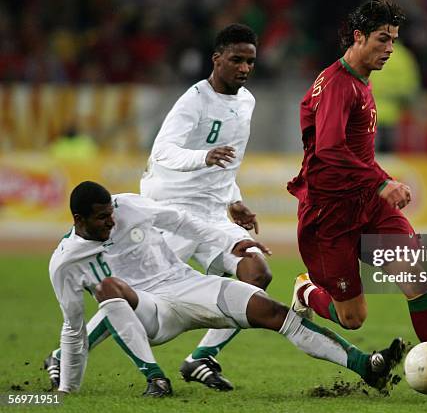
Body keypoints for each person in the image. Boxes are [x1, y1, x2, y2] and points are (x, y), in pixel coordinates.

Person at [287, 0, 427, 406]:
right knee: (352, 319)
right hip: (329, 215)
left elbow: (352, 150)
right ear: (358, 37)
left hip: (366, 206)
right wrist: (381, 181)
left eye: (394, 40)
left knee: (414, 274)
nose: (390, 48)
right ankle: (306, 292)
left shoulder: (362, 78)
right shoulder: (339, 85)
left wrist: (378, 182)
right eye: (383, 39)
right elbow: (329, 149)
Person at [45, 24, 271, 392]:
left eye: (250, 61)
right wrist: (203, 156)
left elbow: (230, 162)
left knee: (257, 272)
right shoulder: (193, 101)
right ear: (217, 59)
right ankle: (64, 353)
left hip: (213, 213)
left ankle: (201, 357)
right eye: (236, 60)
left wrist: (234, 200)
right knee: (144, 294)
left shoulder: (246, 102)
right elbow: (163, 151)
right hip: (172, 208)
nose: (244, 68)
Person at [47, 181, 405, 397]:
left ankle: (365, 366)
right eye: (101, 218)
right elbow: (72, 326)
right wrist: (67, 391)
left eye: (111, 213)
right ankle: (154, 377)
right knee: (110, 287)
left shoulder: (127, 206)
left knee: (272, 310)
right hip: (149, 312)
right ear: (78, 220)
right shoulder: (65, 263)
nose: (111, 221)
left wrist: (231, 240)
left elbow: (181, 221)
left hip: (186, 285)